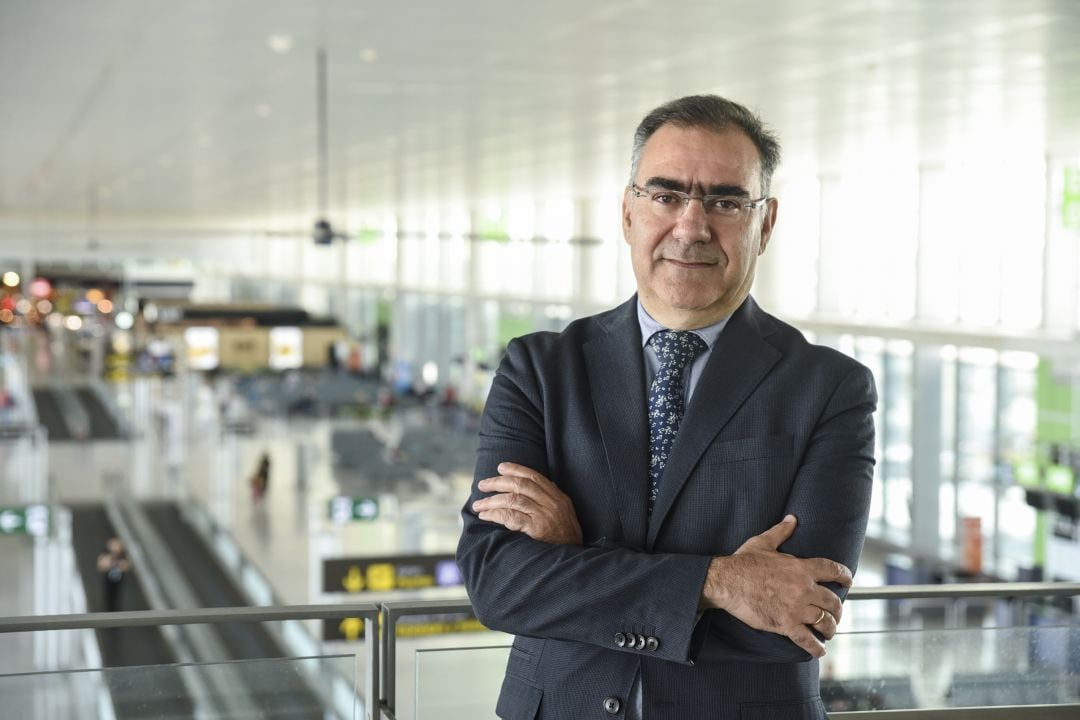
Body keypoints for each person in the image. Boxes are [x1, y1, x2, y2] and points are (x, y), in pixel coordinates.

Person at [456, 95, 877, 719]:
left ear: (765, 223)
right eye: (666, 194)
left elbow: (796, 617)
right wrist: (723, 581)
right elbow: (499, 584)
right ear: (628, 212)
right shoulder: (539, 370)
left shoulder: (830, 388)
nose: (691, 225)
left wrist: (577, 558)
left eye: (726, 201)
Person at [96, 537, 130, 612]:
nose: (115, 553)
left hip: (118, 583)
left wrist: (118, 564)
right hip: (108, 581)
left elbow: (126, 566)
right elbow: (101, 565)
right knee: (108, 598)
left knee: (117, 598)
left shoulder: (122, 558)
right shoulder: (106, 557)